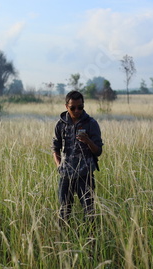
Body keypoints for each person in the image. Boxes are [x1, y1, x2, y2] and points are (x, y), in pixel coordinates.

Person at [51, 90, 103, 224]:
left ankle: (91, 240)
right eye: (73, 107)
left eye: (80, 107)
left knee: (89, 211)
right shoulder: (61, 124)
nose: (77, 110)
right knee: (64, 211)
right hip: (66, 175)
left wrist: (88, 141)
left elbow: (98, 151)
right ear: (66, 106)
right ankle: (63, 239)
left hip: (85, 174)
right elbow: (55, 148)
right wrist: (59, 166)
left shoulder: (91, 123)